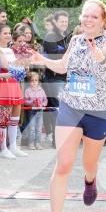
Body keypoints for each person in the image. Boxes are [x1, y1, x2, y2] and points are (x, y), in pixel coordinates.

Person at [29, 0, 106, 212]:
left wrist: (103, 60)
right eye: (85, 15)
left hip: (97, 112)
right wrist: (42, 60)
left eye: (94, 17)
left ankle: (90, 180)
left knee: (89, 164)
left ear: (103, 20)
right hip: (70, 108)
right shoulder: (74, 40)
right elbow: (64, 67)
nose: (88, 20)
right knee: (63, 165)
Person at [0, 25, 27, 158]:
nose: (8, 35)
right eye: (5, 33)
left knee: (15, 117)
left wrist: (22, 60)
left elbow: (17, 66)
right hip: (4, 82)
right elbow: (5, 66)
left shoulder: (10, 50)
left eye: (9, 33)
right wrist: (18, 64)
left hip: (13, 82)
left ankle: (13, 146)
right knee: (4, 117)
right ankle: (3, 148)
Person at [42, 10, 72, 148]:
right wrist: (69, 49)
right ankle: (57, 141)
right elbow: (54, 56)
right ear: (55, 22)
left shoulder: (65, 35)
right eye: (62, 21)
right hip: (53, 78)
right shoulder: (51, 36)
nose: (64, 24)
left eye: (66, 21)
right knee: (59, 110)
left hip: (65, 78)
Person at [24, 71, 48, 150]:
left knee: (38, 128)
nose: (34, 82)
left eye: (35, 80)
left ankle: (37, 143)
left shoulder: (41, 90)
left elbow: (45, 100)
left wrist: (43, 105)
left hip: (40, 111)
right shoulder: (27, 91)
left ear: (38, 81)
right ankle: (31, 143)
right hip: (32, 112)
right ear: (29, 82)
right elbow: (25, 102)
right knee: (32, 128)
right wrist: (32, 102)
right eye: (32, 81)